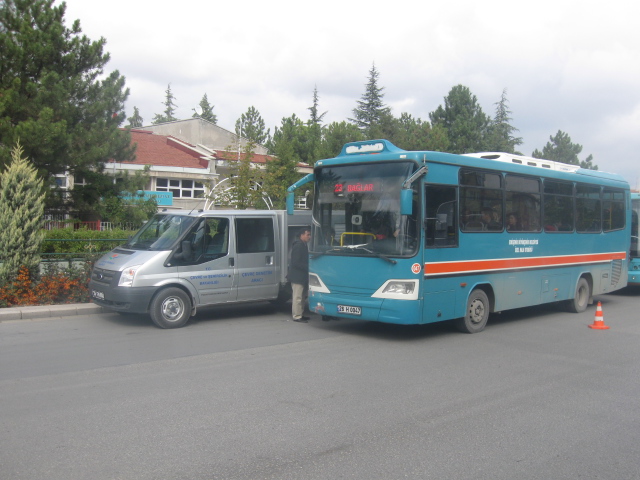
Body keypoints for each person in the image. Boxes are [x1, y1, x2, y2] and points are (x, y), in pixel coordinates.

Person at [288, 228, 311, 322]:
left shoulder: (304, 245)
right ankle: (297, 316)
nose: (309, 237)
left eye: (309, 235)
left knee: (302, 297)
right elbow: (296, 262)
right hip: (297, 276)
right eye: (308, 235)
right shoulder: (298, 245)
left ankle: (300, 314)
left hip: (302, 276)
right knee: (297, 297)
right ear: (302, 235)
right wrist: (308, 267)